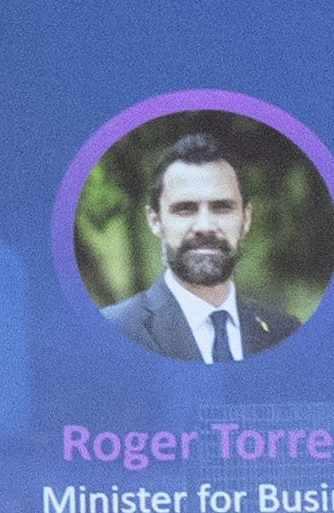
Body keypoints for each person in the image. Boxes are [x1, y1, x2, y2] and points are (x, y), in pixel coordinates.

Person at [103, 132, 302, 364]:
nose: (205, 227)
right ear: (155, 221)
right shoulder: (113, 331)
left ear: (246, 219)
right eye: (185, 209)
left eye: (222, 207)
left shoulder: (286, 333)